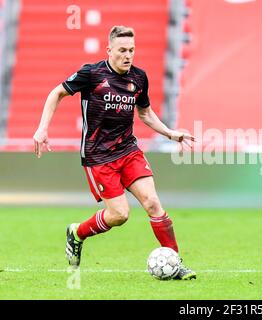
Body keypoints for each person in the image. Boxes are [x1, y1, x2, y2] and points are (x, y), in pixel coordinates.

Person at [33, 26, 197, 279]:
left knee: (153, 203)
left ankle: (175, 264)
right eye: (122, 50)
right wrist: (42, 129)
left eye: (131, 50)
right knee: (119, 215)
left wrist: (170, 133)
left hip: (128, 150)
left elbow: (144, 113)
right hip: (98, 156)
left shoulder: (139, 78)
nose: (128, 55)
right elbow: (57, 93)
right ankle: (77, 233)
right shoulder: (92, 73)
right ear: (109, 50)